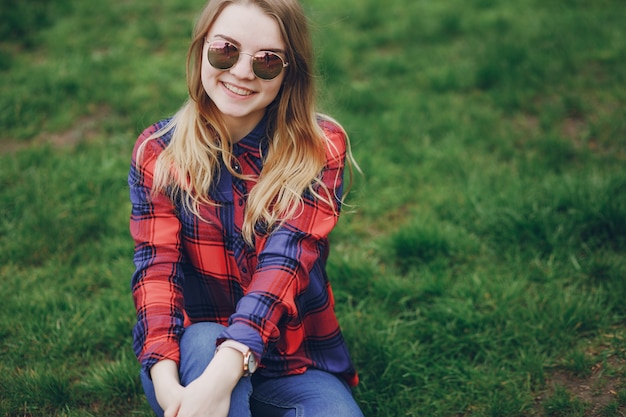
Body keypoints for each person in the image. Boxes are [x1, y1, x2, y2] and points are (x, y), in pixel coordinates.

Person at [128, 0, 363, 416]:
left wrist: (228, 367)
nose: (241, 72)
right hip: (192, 357)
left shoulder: (318, 149)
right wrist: (170, 391)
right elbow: (156, 273)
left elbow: (284, 264)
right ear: (201, 49)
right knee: (203, 341)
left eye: (267, 61)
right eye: (225, 50)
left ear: (290, 72)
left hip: (290, 362)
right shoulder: (158, 154)